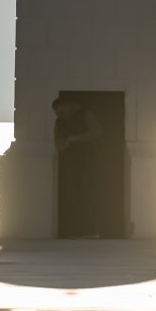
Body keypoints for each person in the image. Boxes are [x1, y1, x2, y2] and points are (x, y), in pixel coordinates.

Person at [52, 97, 102, 239]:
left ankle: (91, 230)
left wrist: (74, 139)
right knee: (73, 194)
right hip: (70, 161)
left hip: (88, 160)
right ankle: (76, 229)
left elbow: (97, 132)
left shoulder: (86, 114)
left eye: (62, 112)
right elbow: (56, 141)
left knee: (88, 193)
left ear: (68, 106)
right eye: (58, 114)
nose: (60, 116)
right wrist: (62, 145)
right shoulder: (59, 122)